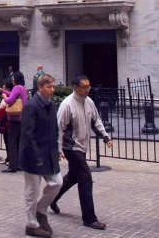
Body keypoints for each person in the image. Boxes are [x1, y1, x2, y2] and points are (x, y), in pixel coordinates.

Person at [50, 74, 113, 230]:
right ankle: (89, 218)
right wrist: (58, 149)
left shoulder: (89, 102)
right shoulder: (67, 105)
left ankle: (51, 198)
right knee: (85, 177)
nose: (88, 89)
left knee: (73, 176)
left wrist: (105, 136)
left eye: (88, 86)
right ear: (75, 87)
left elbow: (96, 120)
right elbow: (59, 128)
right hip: (71, 147)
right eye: (84, 87)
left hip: (82, 145)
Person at [19, 74, 63, 238]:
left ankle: (41, 210)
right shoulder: (31, 106)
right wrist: (36, 157)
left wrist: (57, 149)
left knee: (57, 183)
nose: (52, 90)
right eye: (49, 87)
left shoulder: (51, 105)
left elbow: (54, 129)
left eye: (53, 86)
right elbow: (27, 135)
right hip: (33, 156)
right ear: (40, 88)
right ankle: (31, 224)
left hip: (49, 154)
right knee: (32, 192)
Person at [0, 71, 28, 173]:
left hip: (14, 118)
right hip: (21, 118)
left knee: (12, 142)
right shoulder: (22, 89)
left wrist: (4, 97)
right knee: (18, 142)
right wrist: (1, 89)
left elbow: (9, 100)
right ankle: (19, 164)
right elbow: (12, 94)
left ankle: (12, 166)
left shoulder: (16, 88)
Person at [0, 78, 13, 165]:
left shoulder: (9, 96)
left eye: (4, 85)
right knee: (6, 140)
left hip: (8, 122)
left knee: (10, 141)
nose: (3, 87)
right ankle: (8, 157)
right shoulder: (5, 96)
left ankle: (11, 158)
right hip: (5, 122)